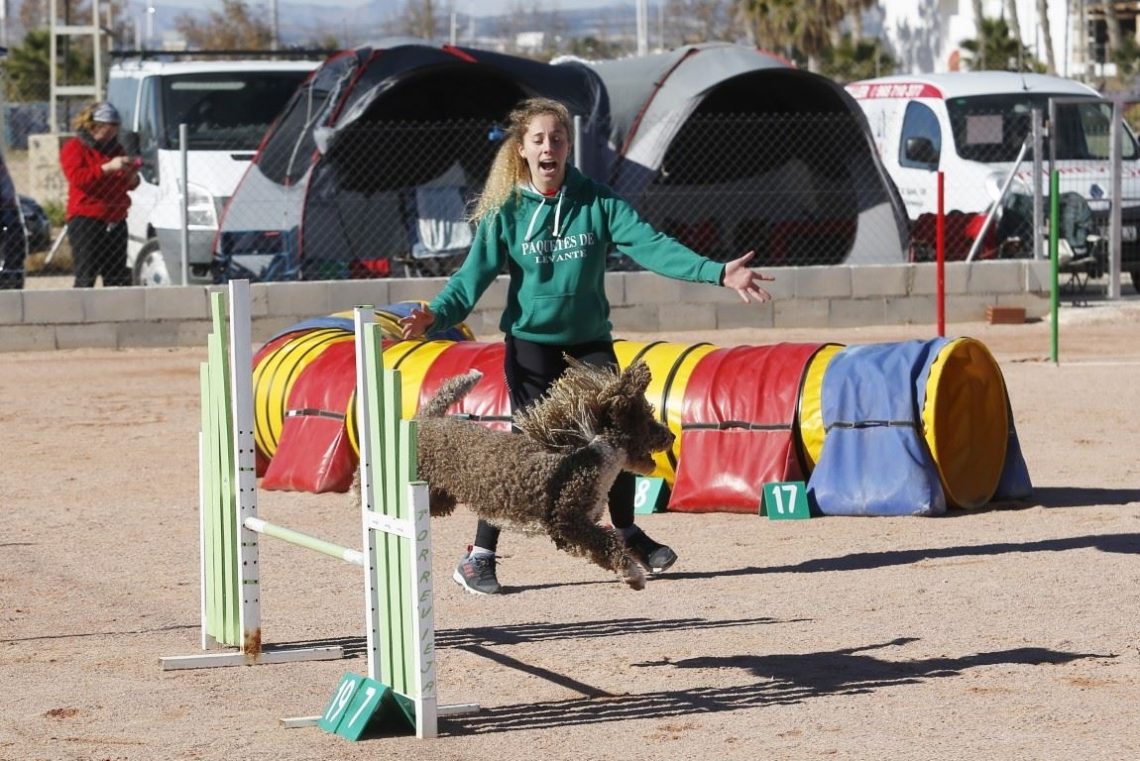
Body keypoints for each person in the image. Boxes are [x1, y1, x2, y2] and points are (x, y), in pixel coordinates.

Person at [399, 97, 773, 596]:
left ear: (568, 146)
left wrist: (717, 271)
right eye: (539, 139)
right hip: (532, 346)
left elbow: (650, 244)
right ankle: (479, 557)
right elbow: (470, 279)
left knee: (619, 437)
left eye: (558, 138)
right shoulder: (507, 211)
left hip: (590, 344)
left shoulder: (597, 201)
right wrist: (436, 314)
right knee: (528, 451)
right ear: (523, 150)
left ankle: (626, 532)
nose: (549, 146)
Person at [60, 101, 140, 288]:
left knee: (116, 276)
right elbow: (78, 178)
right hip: (86, 220)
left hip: (116, 219)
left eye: (115, 129)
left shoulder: (115, 149)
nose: (113, 133)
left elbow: (127, 184)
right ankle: (80, 315)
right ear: (94, 126)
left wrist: (131, 176)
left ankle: (115, 315)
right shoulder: (75, 147)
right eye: (108, 128)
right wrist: (107, 167)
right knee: (86, 274)